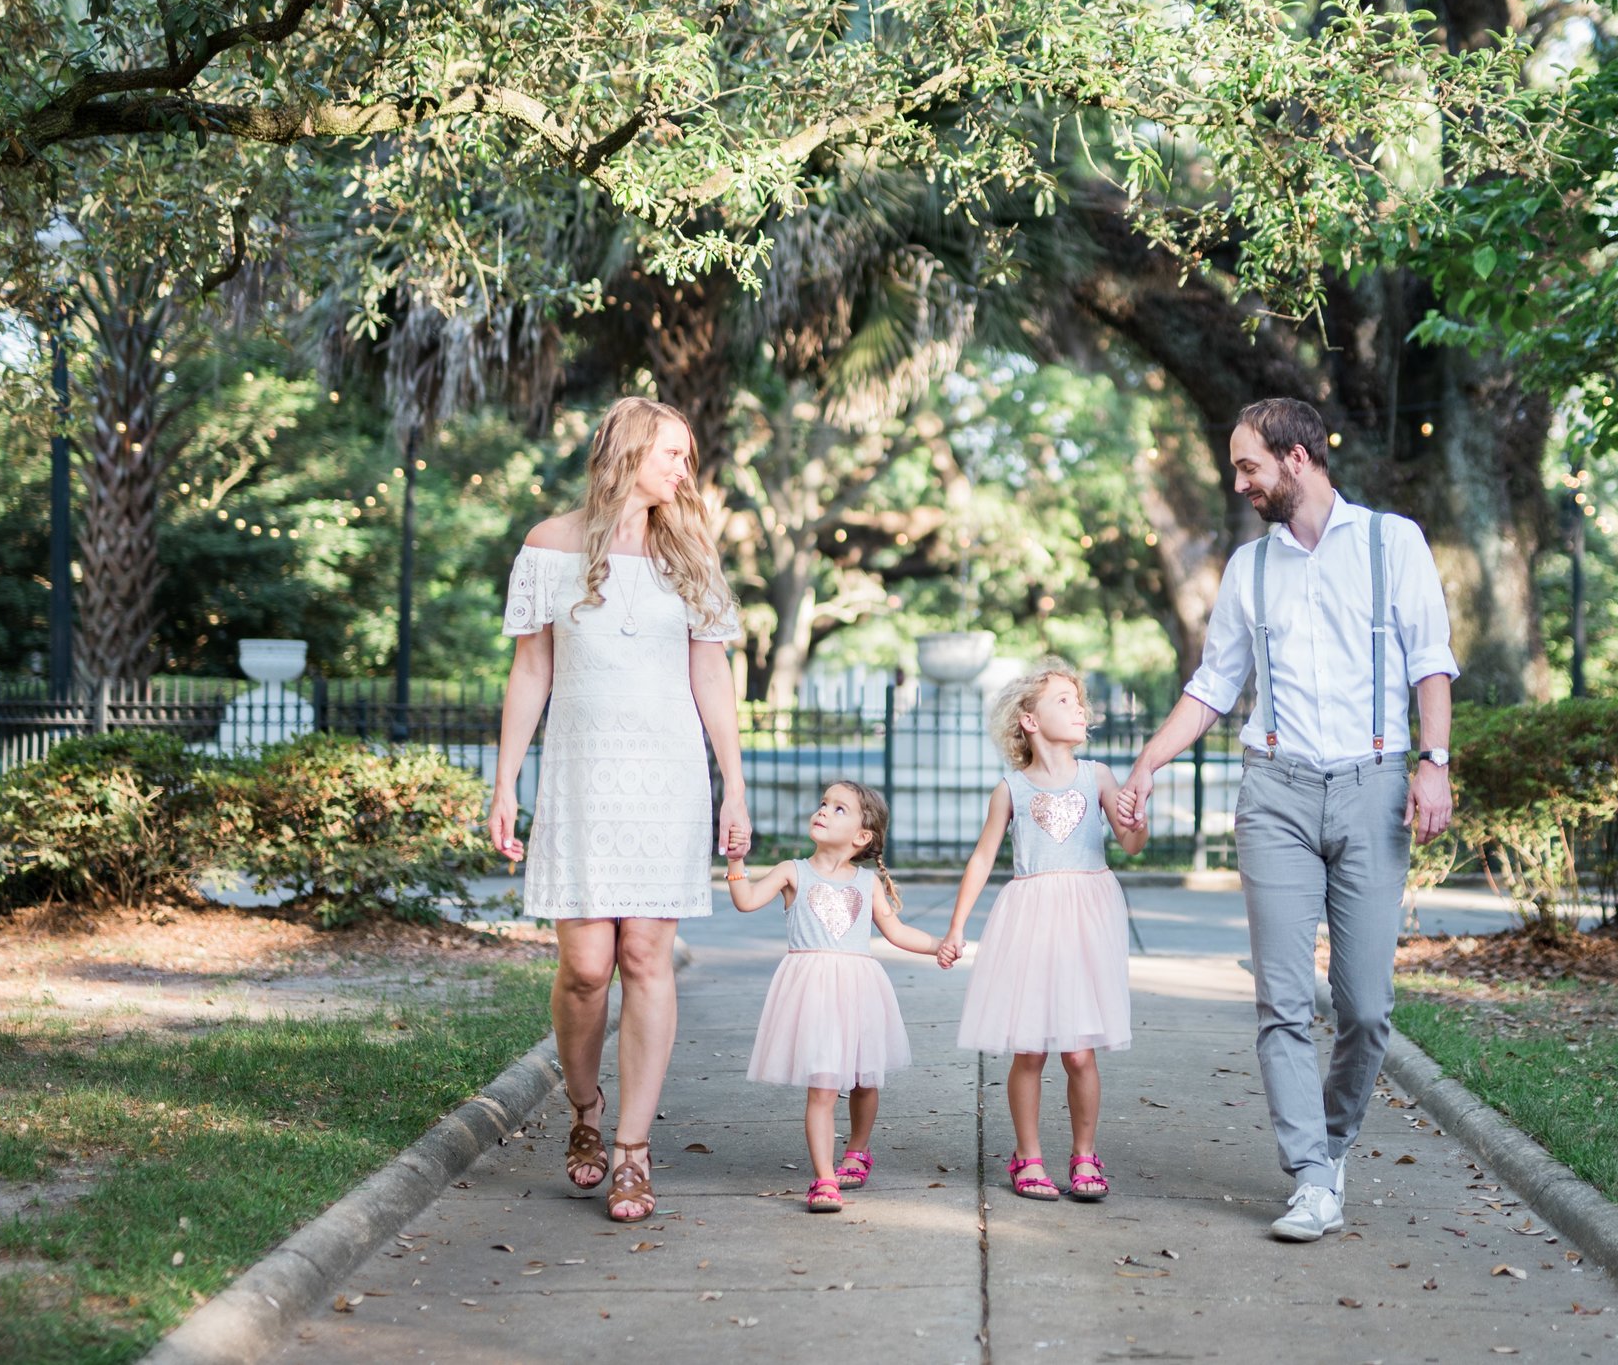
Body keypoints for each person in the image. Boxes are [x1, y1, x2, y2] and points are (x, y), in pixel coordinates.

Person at [1113, 397, 1457, 1243]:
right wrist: (1149, 761)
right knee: (1279, 998)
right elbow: (1212, 685)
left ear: (1296, 458)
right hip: (1275, 792)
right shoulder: (1248, 569)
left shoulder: (1392, 542)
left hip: (1373, 784)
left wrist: (1434, 760)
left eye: (1248, 466)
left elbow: (1431, 661)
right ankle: (1310, 1174)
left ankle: (1331, 1144)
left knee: (1367, 1007)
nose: (1239, 482)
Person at [489, 396, 750, 1225]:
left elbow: (711, 675)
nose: (684, 470)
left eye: (687, 456)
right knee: (587, 969)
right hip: (579, 777)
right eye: (672, 453)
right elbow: (531, 670)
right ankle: (586, 1110)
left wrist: (733, 783)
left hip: (667, 778)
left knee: (645, 957)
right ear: (628, 451)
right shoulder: (547, 546)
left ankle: (634, 1152)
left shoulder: (691, 552)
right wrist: (505, 784)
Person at [940, 658, 1143, 1203]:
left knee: (1079, 1050)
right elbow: (982, 860)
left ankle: (1084, 1153)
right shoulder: (1011, 789)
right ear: (1028, 720)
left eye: (1080, 703)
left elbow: (1128, 843)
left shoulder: (1096, 776)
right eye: (1063, 701)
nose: (1078, 709)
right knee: (1029, 1049)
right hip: (1030, 918)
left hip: (1087, 917)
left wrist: (1137, 825)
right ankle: (1027, 1156)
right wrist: (957, 927)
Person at [730, 781, 942, 1213]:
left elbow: (897, 932)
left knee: (865, 1078)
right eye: (823, 804)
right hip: (811, 992)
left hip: (859, 990)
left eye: (839, 808)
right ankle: (825, 1179)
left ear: (862, 837)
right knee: (823, 1086)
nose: (824, 811)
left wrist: (939, 946)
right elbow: (746, 900)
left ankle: (858, 1150)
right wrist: (737, 861)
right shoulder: (792, 871)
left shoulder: (867, 884)